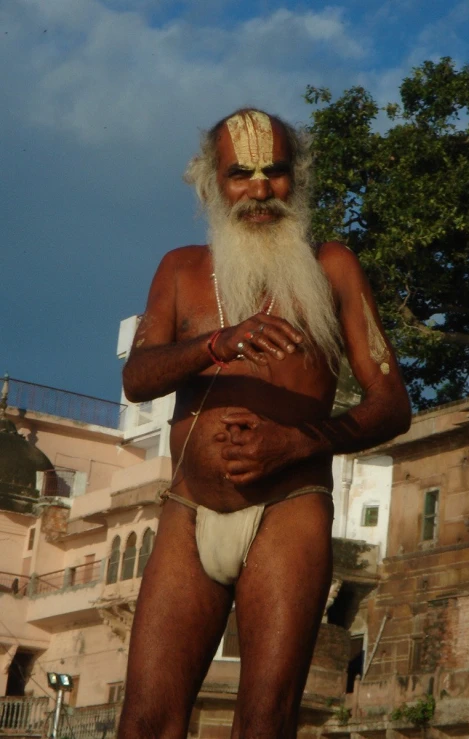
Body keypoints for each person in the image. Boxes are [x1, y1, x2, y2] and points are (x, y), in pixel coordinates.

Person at [118, 108, 411, 739]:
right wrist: (218, 344)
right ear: (210, 184)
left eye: (273, 173)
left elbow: (391, 404)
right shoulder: (179, 270)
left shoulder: (332, 266)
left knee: (264, 723)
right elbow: (137, 378)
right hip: (189, 508)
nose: (258, 191)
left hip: (289, 507)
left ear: (296, 179)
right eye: (239, 175)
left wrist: (295, 444)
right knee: (144, 721)